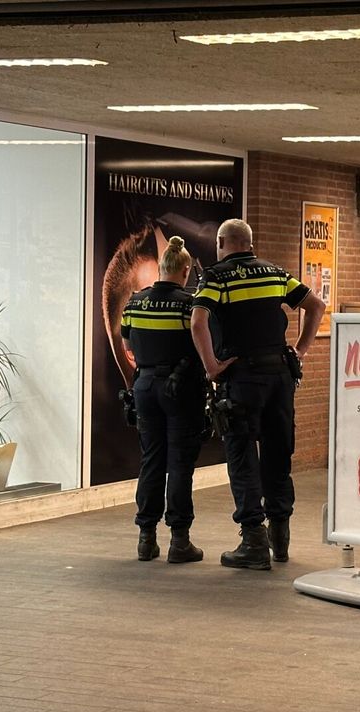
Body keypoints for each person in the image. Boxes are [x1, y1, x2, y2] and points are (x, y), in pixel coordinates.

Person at [190, 218, 325, 570]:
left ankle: (253, 541)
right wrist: (300, 350)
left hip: (242, 377)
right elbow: (317, 306)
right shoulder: (275, 273)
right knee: (278, 453)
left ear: (222, 242)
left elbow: (198, 321)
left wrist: (211, 367)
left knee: (242, 454)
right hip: (279, 376)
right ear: (249, 243)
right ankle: (280, 538)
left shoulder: (216, 277)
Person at [119, 236, 206, 563]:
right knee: (180, 463)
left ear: (160, 268)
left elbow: (128, 346)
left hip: (144, 387)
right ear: (185, 270)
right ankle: (179, 541)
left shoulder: (134, 303)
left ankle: (146, 538)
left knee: (151, 460)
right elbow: (201, 345)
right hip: (180, 389)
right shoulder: (189, 305)